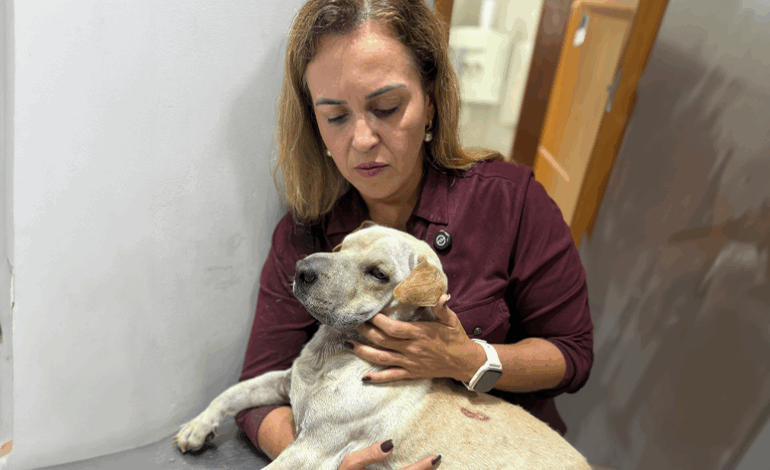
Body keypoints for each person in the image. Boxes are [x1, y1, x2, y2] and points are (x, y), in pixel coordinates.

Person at [234, 0, 594, 468]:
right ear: (314, 124)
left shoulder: (510, 203)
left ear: (431, 103)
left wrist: (466, 359)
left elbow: (571, 354)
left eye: (386, 107)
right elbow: (260, 389)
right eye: (336, 117)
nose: (362, 139)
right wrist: (326, 461)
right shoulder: (304, 235)